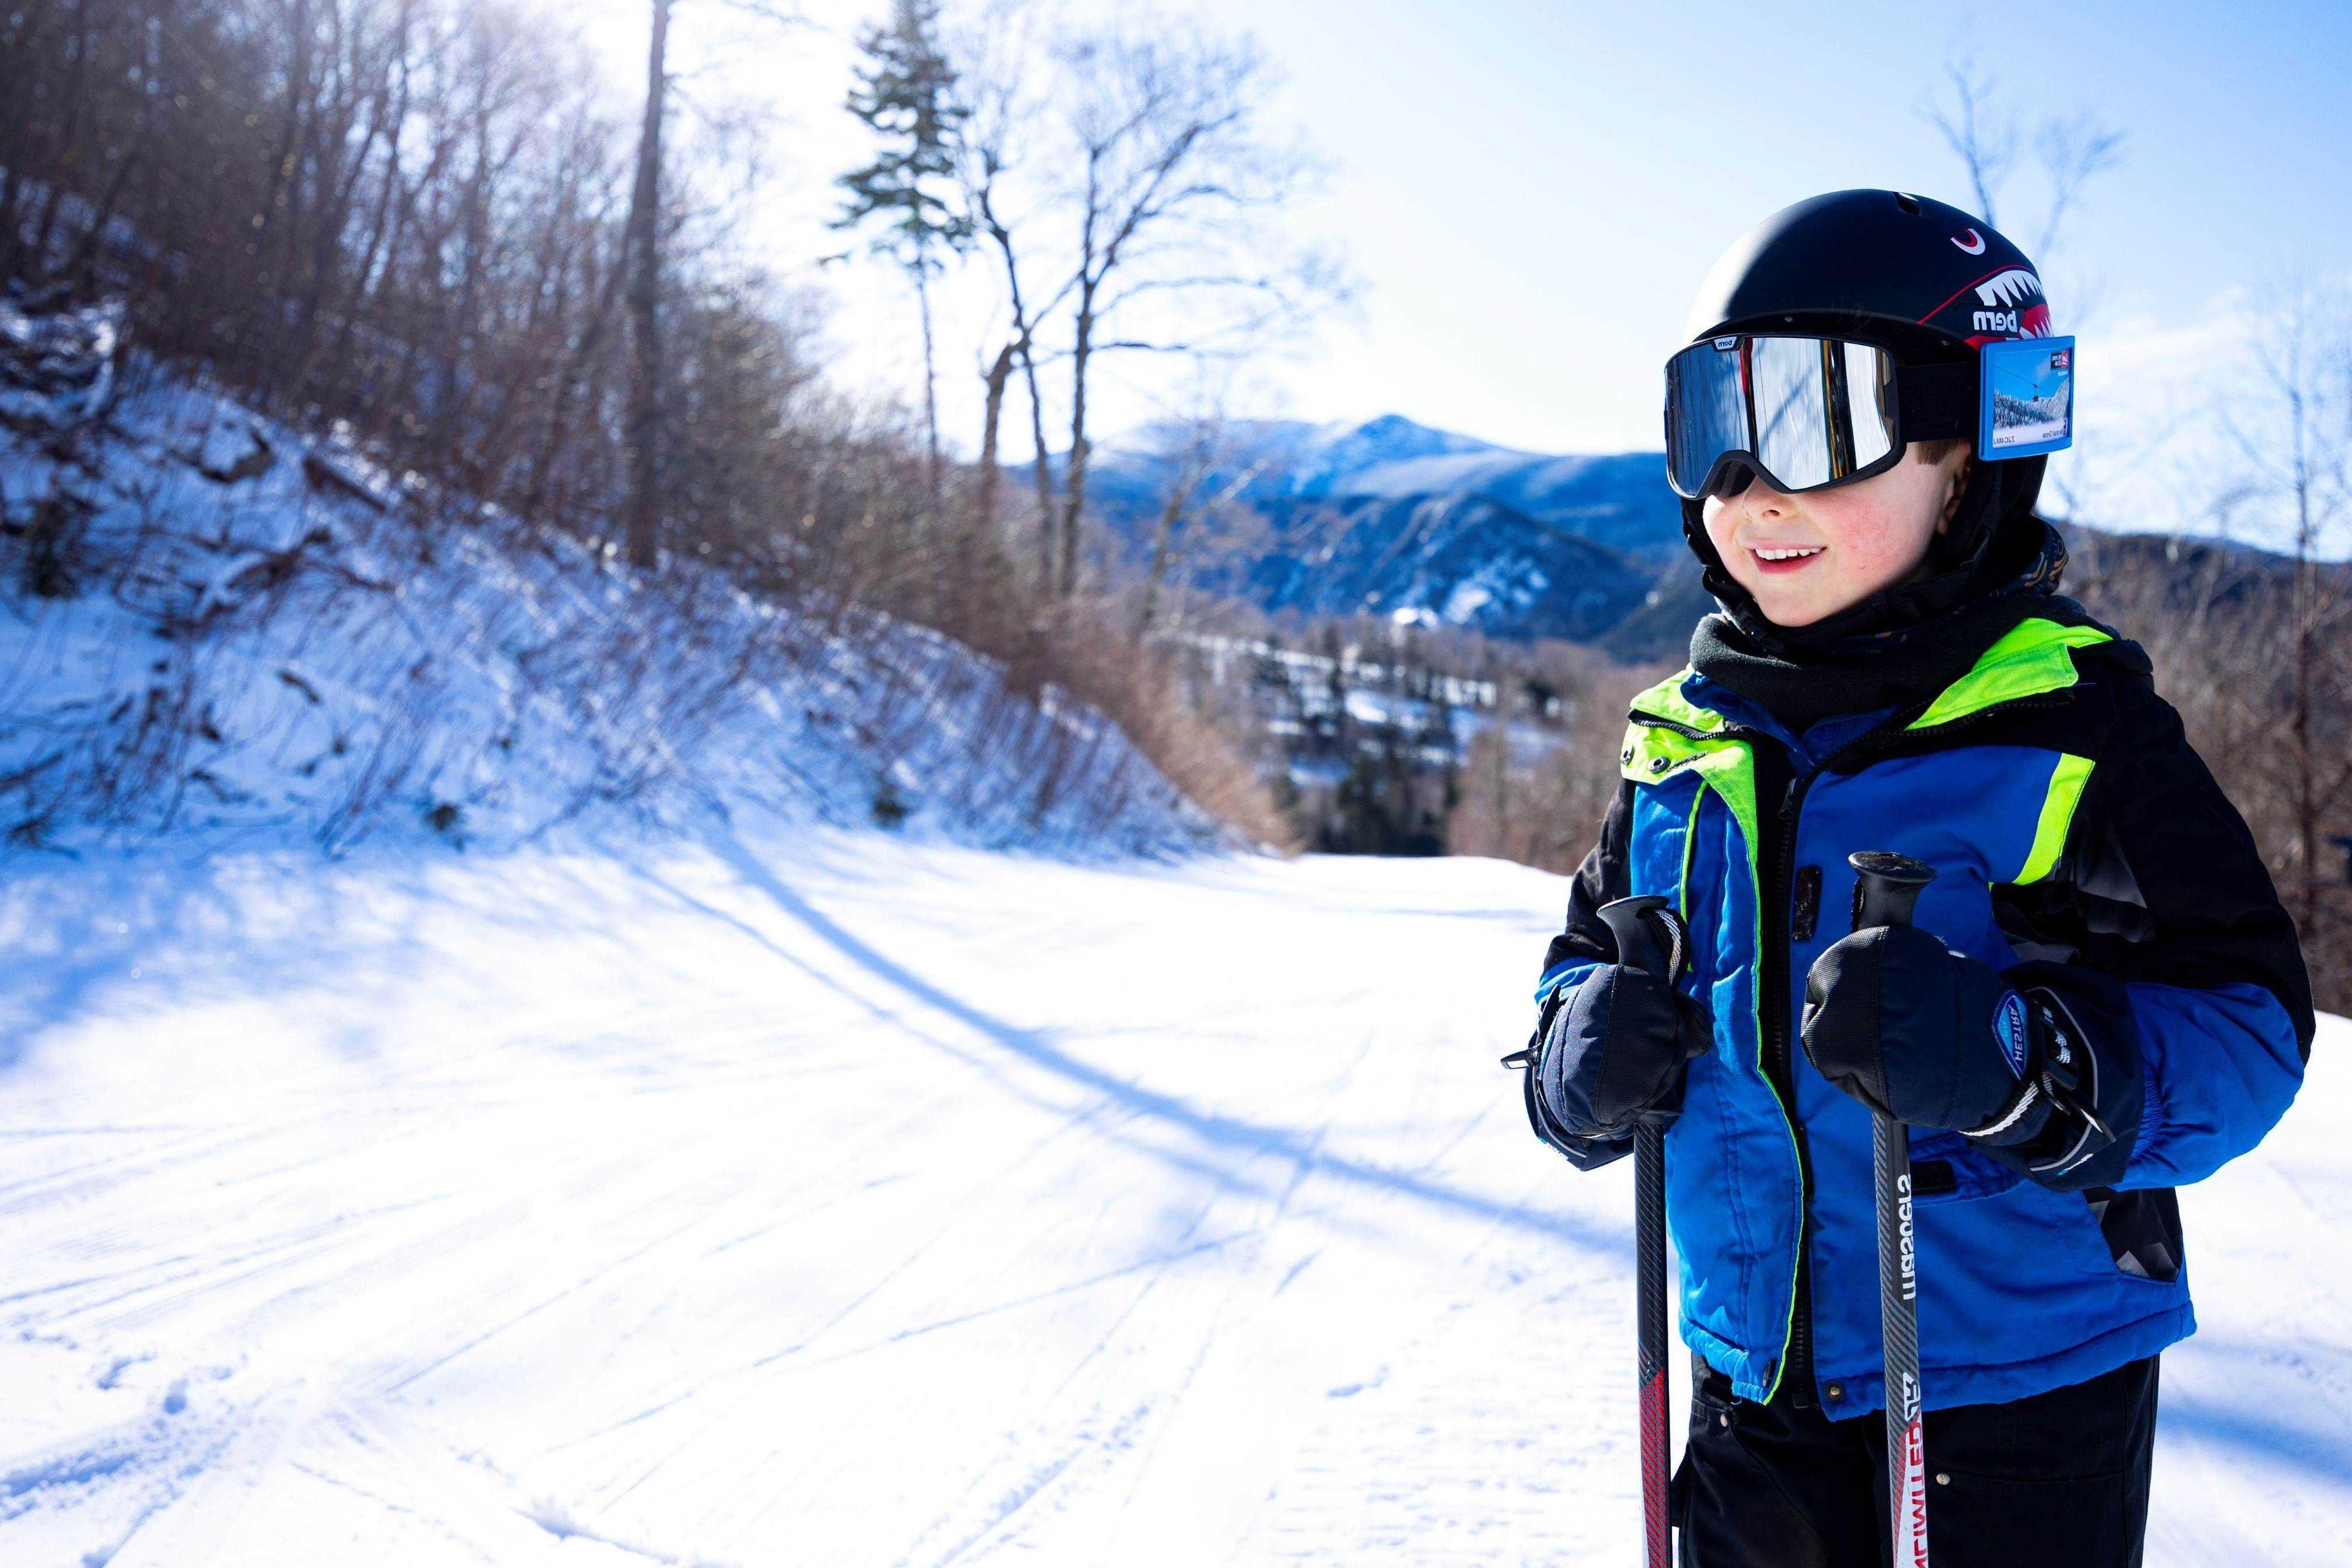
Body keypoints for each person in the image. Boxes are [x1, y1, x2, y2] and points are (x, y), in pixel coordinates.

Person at [1515, 189, 2312, 1567]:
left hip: (2013, 1397)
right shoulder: (1680, 743)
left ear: (1965, 449)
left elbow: (2251, 1024)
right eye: (1711, 425)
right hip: (1753, 1373)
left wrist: (2024, 1065)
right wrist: (1575, 1059)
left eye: (1816, 417)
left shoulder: (2074, 727)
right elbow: (1582, 964)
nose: (1752, 486)